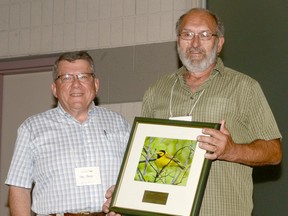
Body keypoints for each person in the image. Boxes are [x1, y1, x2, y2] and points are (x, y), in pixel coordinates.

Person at [102, 8, 282, 216]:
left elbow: (274, 152)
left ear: (219, 43)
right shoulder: (156, 90)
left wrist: (232, 150)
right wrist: (127, 198)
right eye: (187, 34)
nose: (195, 43)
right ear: (178, 41)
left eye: (205, 35)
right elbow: (146, 158)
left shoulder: (244, 87)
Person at [5, 51, 131, 216]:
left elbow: (136, 180)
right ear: (54, 89)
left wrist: (124, 199)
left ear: (96, 85)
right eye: (66, 78)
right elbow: (19, 188)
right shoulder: (31, 129)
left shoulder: (120, 124)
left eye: (83, 76)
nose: (76, 84)